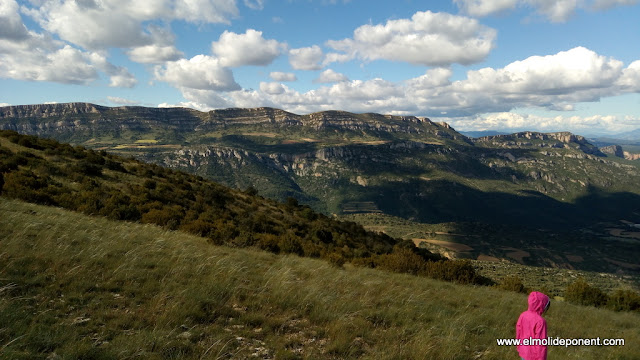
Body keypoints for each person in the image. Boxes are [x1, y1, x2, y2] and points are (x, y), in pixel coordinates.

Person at [516, 291, 550, 360]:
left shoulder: (523, 315)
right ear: (541, 305)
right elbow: (541, 343)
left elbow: (518, 332)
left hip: (523, 352)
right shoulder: (540, 321)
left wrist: (519, 347)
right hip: (534, 357)